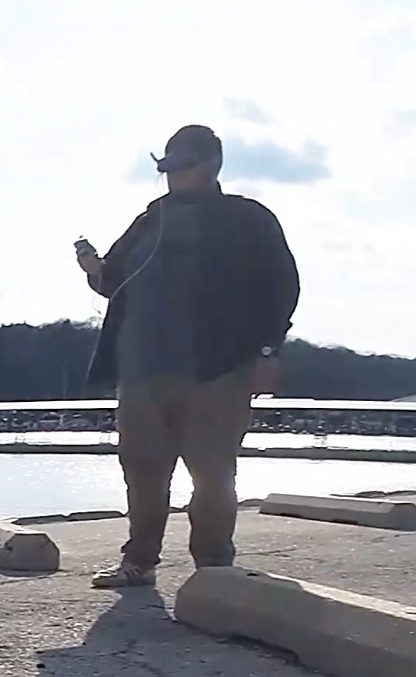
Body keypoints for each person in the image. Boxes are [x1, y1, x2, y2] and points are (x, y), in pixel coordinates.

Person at [76, 124, 301, 589]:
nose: (174, 177)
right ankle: (139, 561)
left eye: (183, 167)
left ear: (213, 164)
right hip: (141, 372)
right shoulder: (149, 219)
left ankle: (214, 567)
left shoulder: (249, 219)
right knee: (142, 472)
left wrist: (266, 351)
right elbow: (112, 280)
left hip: (216, 371)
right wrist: (93, 269)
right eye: (167, 169)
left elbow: (282, 288)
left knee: (213, 475)